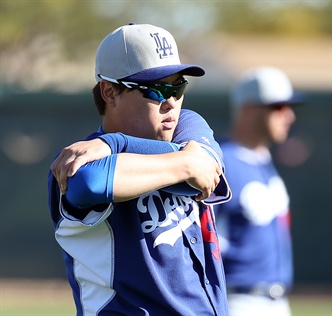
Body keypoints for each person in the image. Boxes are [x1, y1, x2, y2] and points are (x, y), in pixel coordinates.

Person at [47, 23, 231, 315]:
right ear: (109, 92)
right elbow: (91, 183)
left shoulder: (187, 125)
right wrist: (187, 163)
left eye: (178, 86)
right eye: (156, 90)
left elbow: (207, 166)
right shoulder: (79, 160)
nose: (171, 102)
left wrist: (115, 143)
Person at [213, 67, 303, 316]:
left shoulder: (263, 159)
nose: (289, 116)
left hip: (276, 301)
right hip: (237, 301)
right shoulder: (220, 161)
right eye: (278, 107)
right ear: (249, 109)